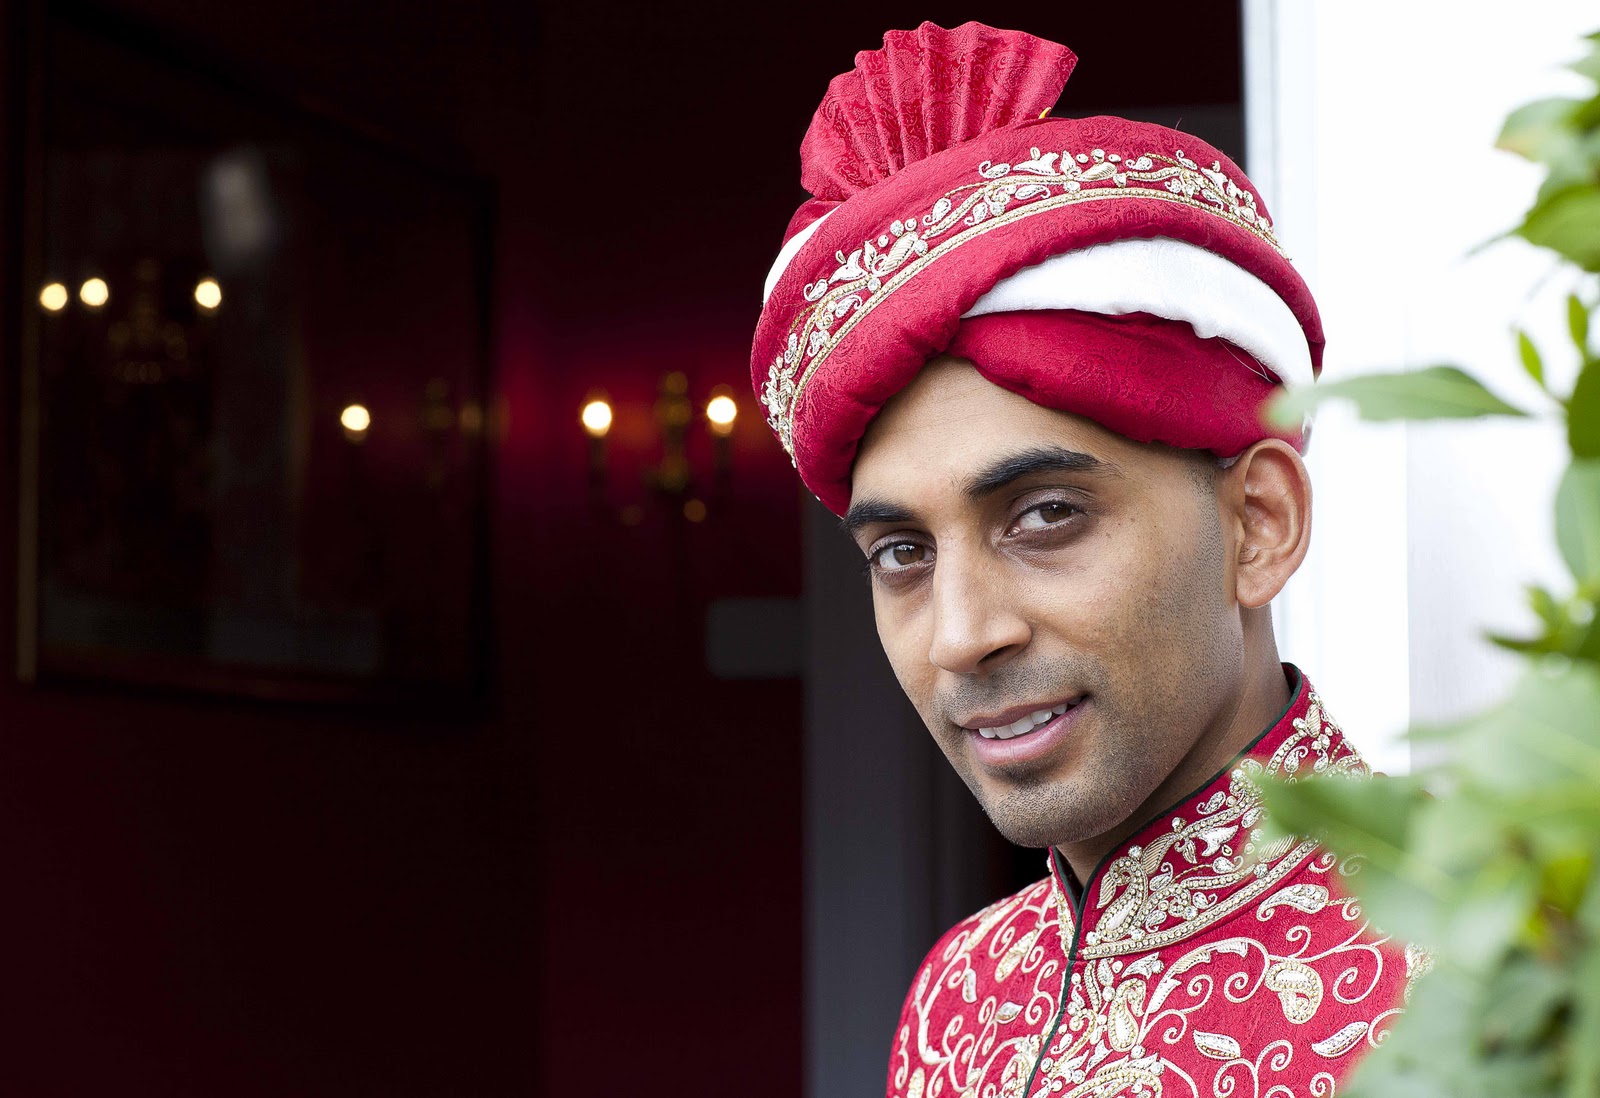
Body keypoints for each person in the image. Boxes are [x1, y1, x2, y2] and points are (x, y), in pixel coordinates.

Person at [750, 21, 1424, 1098]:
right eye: (902, 551)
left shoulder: (1494, 970)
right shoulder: (960, 997)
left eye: (1046, 515)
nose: (962, 634)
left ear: (1258, 524)